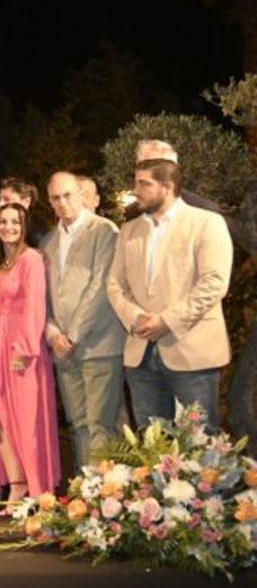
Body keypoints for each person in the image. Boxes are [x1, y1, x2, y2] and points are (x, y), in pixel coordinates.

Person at [107, 141, 232, 430]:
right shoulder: (129, 230)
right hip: (141, 356)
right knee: (151, 447)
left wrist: (167, 320)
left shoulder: (207, 223)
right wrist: (136, 317)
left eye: (144, 184)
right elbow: (115, 284)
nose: (136, 191)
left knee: (202, 449)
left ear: (168, 186)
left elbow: (214, 283)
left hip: (193, 354)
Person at [0, 203, 61, 511]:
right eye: (3, 222)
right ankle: (16, 485)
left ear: (25, 226)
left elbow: (36, 307)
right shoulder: (4, 263)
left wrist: (25, 349)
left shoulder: (31, 259)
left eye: (15, 222)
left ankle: (37, 488)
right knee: (0, 421)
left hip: (23, 349)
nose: (8, 227)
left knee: (26, 420)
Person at [41, 172, 125, 469]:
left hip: (99, 345)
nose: (62, 203)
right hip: (64, 350)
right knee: (78, 424)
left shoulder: (105, 231)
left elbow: (100, 287)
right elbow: (44, 298)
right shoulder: (49, 241)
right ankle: (84, 495)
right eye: (55, 198)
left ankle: (105, 498)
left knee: (101, 423)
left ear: (81, 194)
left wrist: (72, 336)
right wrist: (53, 335)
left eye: (68, 195)